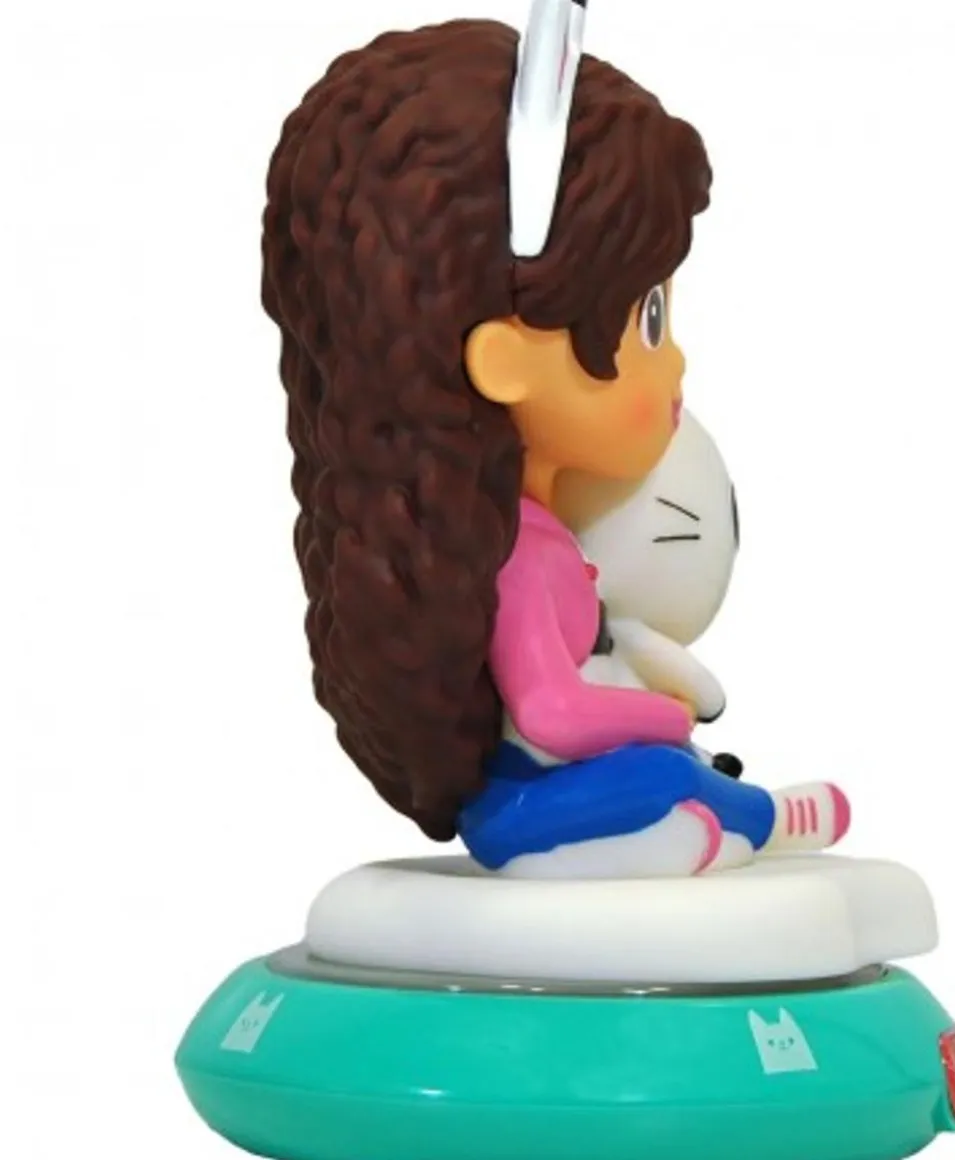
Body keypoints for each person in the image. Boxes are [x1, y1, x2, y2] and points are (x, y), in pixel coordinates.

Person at [261, 14, 845, 879]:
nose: (674, 363)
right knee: (662, 778)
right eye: (646, 322)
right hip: (530, 804)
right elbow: (551, 715)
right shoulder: (514, 555)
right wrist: (667, 718)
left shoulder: (526, 532)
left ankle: (721, 818)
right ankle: (756, 820)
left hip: (557, 782)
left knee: (668, 776)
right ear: (502, 360)